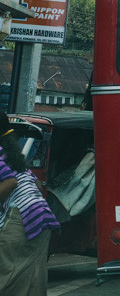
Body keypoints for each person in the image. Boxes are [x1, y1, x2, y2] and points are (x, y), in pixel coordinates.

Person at [0, 111, 60, 295]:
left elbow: (11, 182)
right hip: (42, 218)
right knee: (33, 279)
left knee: (8, 278)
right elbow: (34, 183)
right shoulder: (11, 154)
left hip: (22, 219)